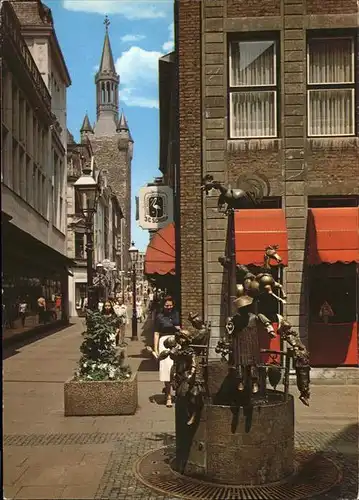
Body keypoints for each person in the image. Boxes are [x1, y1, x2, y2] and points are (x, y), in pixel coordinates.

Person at [153, 296, 180, 407]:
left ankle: (177, 393)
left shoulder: (176, 315)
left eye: (170, 305)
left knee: (176, 368)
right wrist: (155, 349)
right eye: (166, 305)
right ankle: (168, 396)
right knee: (166, 369)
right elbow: (156, 333)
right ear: (163, 306)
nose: (168, 307)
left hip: (175, 342)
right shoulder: (159, 317)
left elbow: (179, 329)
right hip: (163, 342)